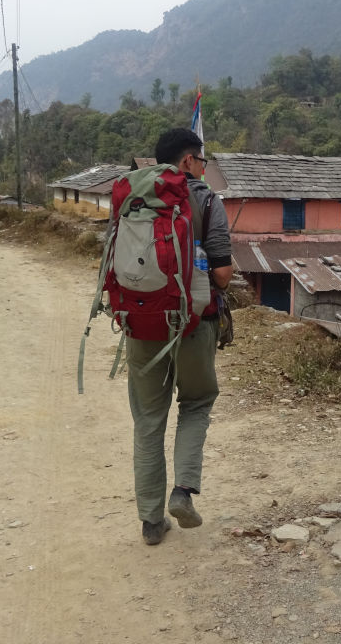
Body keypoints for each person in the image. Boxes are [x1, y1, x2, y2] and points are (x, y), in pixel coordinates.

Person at [126, 128, 233, 545]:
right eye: (202, 160)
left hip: (140, 322)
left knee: (148, 419)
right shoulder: (206, 200)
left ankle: (151, 522)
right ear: (188, 160)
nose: (204, 168)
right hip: (193, 322)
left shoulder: (134, 197)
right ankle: (182, 492)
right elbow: (221, 274)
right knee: (197, 401)